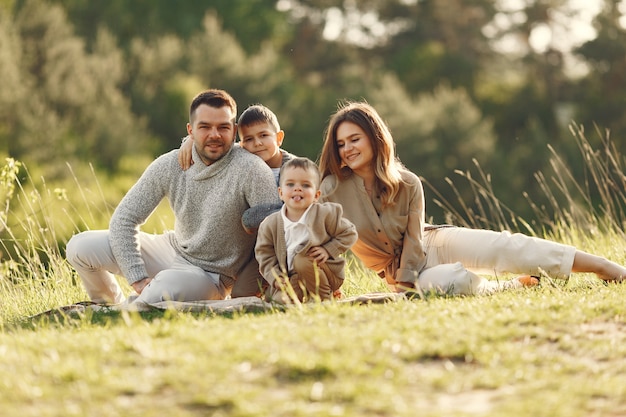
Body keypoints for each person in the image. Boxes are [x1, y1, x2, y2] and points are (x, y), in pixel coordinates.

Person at [318, 101, 626, 296]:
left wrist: (405, 279)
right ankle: (505, 288)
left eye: (354, 139)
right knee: (453, 282)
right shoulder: (332, 188)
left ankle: (602, 266)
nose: (347, 149)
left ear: (375, 138)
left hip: (433, 243)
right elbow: (311, 228)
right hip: (399, 272)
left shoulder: (407, 182)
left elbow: (414, 238)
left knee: (504, 247)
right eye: (341, 143)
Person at [65, 89, 281, 305]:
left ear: (234, 131)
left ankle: (129, 310)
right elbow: (124, 219)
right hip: (172, 249)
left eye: (223, 127)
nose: (214, 134)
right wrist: (137, 278)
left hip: (210, 276)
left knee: (166, 286)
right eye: (204, 127)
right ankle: (107, 304)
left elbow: (276, 230)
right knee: (79, 247)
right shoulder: (171, 164)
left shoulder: (252, 169)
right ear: (191, 130)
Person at [255, 157, 357, 303]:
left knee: (301, 260)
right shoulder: (270, 224)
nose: (297, 188)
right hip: (293, 276)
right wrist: (276, 277)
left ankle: (324, 297)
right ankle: (306, 296)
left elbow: (349, 232)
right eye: (290, 184)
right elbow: (264, 255)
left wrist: (328, 250)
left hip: (324, 271)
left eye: (306, 185)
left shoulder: (325, 214)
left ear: (316, 195)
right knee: (280, 301)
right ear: (280, 193)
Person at [179, 104, 295, 231]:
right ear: (242, 145)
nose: (257, 143)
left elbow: (301, 210)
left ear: (279, 138)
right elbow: (218, 147)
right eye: (249, 139)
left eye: (263, 135)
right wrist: (191, 140)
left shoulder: (297, 169)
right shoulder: (243, 161)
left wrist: (250, 218)